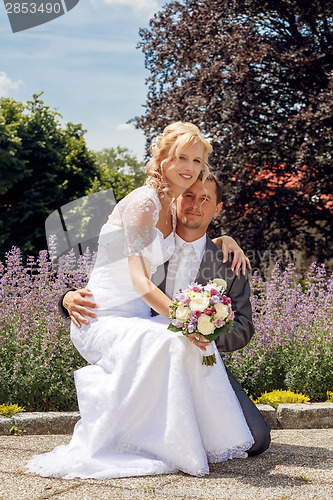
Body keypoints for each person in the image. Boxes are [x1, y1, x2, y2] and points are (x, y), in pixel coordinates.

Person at [27, 122, 254, 480]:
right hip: (102, 317)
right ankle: (163, 445)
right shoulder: (143, 203)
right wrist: (67, 296)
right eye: (181, 157)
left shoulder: (174, 211)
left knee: (253, 434)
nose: (189, 167)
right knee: (169, 338)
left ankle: (199, 438)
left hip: (140, 320)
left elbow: (196, 233)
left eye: (196, 160)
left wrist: (225, 239)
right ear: (162, 157)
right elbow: (136, 279)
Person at [60, 174, 271, 457]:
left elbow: (243, 327)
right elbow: (109, 280)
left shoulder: (229, 262)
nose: (195, 204)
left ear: (218, 208)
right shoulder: (155, 246)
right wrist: (67, 297)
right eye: (188, 196)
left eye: (205, 199)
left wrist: (203, 332)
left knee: (256, 439)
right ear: (175, 201)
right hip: (144, 360)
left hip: (202, 364)